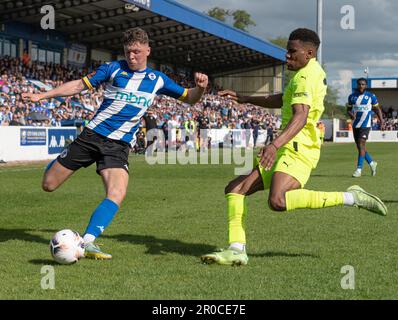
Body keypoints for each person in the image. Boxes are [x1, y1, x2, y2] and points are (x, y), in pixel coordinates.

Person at [201, 28, 387, 266]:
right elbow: (281, 100)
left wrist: (274, 145)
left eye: (292, 52)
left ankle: (352, 197)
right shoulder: (304, 73)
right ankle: (237, 249)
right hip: (289, 144)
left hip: (300, 147)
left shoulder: (306, 77)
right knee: (235, 188)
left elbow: (300, 116)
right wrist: (245, 98)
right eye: (287, 51)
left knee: (277, 200)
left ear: (309, 53)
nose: (286, 56)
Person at [22, 27, 208, 260]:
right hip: (91, 137)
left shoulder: (158, 79)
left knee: (117, 192)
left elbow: (190, 97)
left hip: (118, 146)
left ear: (148, 51)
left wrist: (200, 88)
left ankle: (88, 242)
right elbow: (79, 85)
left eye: (137, 52)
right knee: (48, 185)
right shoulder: (112, 69)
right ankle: (60, 160)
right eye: (128, 52)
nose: (132, 57)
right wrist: (43, 95)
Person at [347, 78, 384, 177]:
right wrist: (351, 114)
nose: (361, 86)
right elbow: (348, 109)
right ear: (357, 85)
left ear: (366, 86)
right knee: (360, 147)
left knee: (361, 144)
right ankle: (372, 163)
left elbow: (377, 109)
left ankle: (359, 170)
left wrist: (381, 121)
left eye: (363, 84)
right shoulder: (351, 96)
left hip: (366, 125)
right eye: (359, 84)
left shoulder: (371, 96)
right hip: (355, 125)